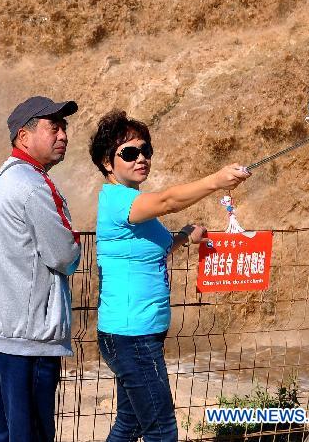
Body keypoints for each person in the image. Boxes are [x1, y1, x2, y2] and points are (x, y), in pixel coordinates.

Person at [88, 110, 251, 442]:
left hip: (137, 332)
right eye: (129, 153)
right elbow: (168, 201)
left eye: (146, 150)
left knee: (130, 422)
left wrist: (183, 237)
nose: (142, 158)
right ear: (108, 162)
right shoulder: (120, 201)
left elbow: (151, 248)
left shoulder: (133, 202)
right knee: (162, 430)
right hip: (131, 335)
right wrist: (216, 180)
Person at [0, 95, 83, 442]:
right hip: (22, 342)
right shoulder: (34, 185)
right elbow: (65, 255)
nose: (63, 135)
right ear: (24, 137)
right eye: (53, 128)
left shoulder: (3, 175)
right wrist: (75, 250)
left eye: (64, 128)